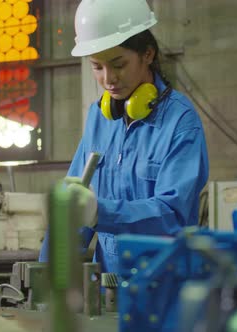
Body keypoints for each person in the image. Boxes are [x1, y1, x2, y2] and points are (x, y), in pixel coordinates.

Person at [38, 0, 209, 273]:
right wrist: (45, 274)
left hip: (162, 285)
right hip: (107, 289)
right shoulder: (99, 117)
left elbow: (173, 215)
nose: (108, 79)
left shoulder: (180, 121)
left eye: (118, 64)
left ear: (148, 54)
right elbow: (74, 206)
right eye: (97, 67)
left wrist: (98, 213)